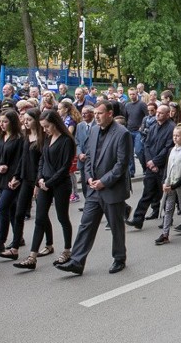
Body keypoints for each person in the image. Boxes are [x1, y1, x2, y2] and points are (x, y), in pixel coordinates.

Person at [55, 100, 132, 275]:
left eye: (100, 113)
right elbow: (89, 157)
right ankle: (76, 261)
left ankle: (119, 258)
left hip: (112, 189)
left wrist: (104, 181)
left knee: (116, 226)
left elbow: (122, 164)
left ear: (110, 114)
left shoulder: (122, 134)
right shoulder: (95, 130)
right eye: (95, 113)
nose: (96, 116)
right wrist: (89, 177)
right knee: (86, 225)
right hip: (94, 189)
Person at [13, 109, 75, 270]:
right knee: (40, 218)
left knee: (62, 217)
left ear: (55, 124)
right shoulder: (47, 138)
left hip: (60, 184)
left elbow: (64, 167)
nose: (45, 129)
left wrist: (50, 182)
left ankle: (67, 250)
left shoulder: (66, 141)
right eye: (43, 127)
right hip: (44, 182)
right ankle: (32, 257)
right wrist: (39, 178)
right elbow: (42, 160)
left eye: (47, 126)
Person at [0, 108, 44, 261]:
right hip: (25, 178)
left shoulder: (43, 137)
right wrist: (16, 176)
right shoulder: (25, 136)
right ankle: (14, 248)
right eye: (24, 119)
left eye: (29, 119)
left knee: (42, 215)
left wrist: (39, 183)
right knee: (18, 213)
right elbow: (23, 159)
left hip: (38, 179)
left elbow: (42, 163)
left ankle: (50, 243)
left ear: (36, 120)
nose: (26, 122)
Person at [126, 103, 175, 228]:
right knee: (146, 193)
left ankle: (167, 219)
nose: (157, 114)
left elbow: (168, 148)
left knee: (165, 195)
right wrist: (149, 161)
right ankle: (138, 219)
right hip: (151, 166)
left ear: (168, 115)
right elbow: (146, 145)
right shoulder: (153, 126)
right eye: (157, 112)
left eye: (161, 113)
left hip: (163, 167)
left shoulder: (171, 128)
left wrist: (156, 162)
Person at [155, 124, 181, 244]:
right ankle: (165, 234)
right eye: (174, 135)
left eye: (178, 136)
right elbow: (167, 167)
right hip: (169, 182)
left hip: (180, 184)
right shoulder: (170, 150)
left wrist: (175, 185)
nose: (175, 138)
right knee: (168, 208)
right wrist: (164, 182)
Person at [0, 110, 23, 255]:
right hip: (1, 177)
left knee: (3, 207)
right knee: (11, 209)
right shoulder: (0, 136)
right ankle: (18, 237)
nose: (2, 124)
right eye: (1, 121)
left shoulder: (19, 138)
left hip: (13, 178)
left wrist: (16, 177)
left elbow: (20, 160)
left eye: (5, 121)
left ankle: (0, 241)